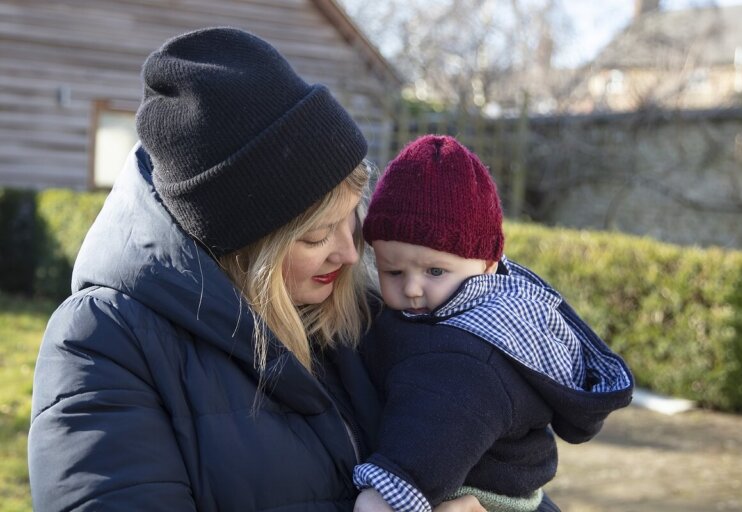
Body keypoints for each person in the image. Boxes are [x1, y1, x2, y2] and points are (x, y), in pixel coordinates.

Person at [27, 28, 484, 512]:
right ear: (245, 245)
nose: (350, 253)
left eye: (351, 216)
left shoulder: (373, 312)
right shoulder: (104, 344)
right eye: (315, 236)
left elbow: (515, 462)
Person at [352, 135, 635, 512]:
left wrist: (385, 495)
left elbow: (437, 432)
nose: (413, 288)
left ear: (487, 265)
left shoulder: (468, 354)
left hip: (479, 495)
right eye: (393, 270)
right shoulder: (436, 318)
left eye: (435, 270)